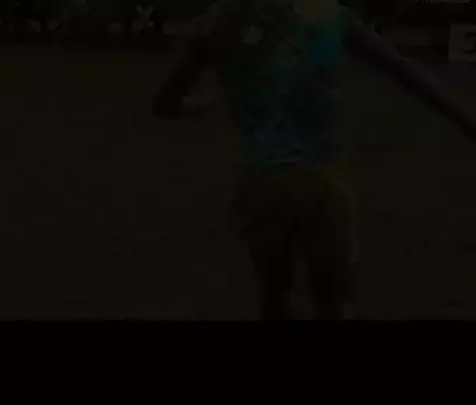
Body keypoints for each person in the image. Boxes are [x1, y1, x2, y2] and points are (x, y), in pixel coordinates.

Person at [152, 0, 476, 320]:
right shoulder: (328, 13)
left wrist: (198, 106)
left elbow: (164, 105)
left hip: (261, 184)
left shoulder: (219, 18)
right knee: (332, 303)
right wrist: (464, 119)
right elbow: (408, 74)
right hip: (322, 182)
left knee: (274, 299)